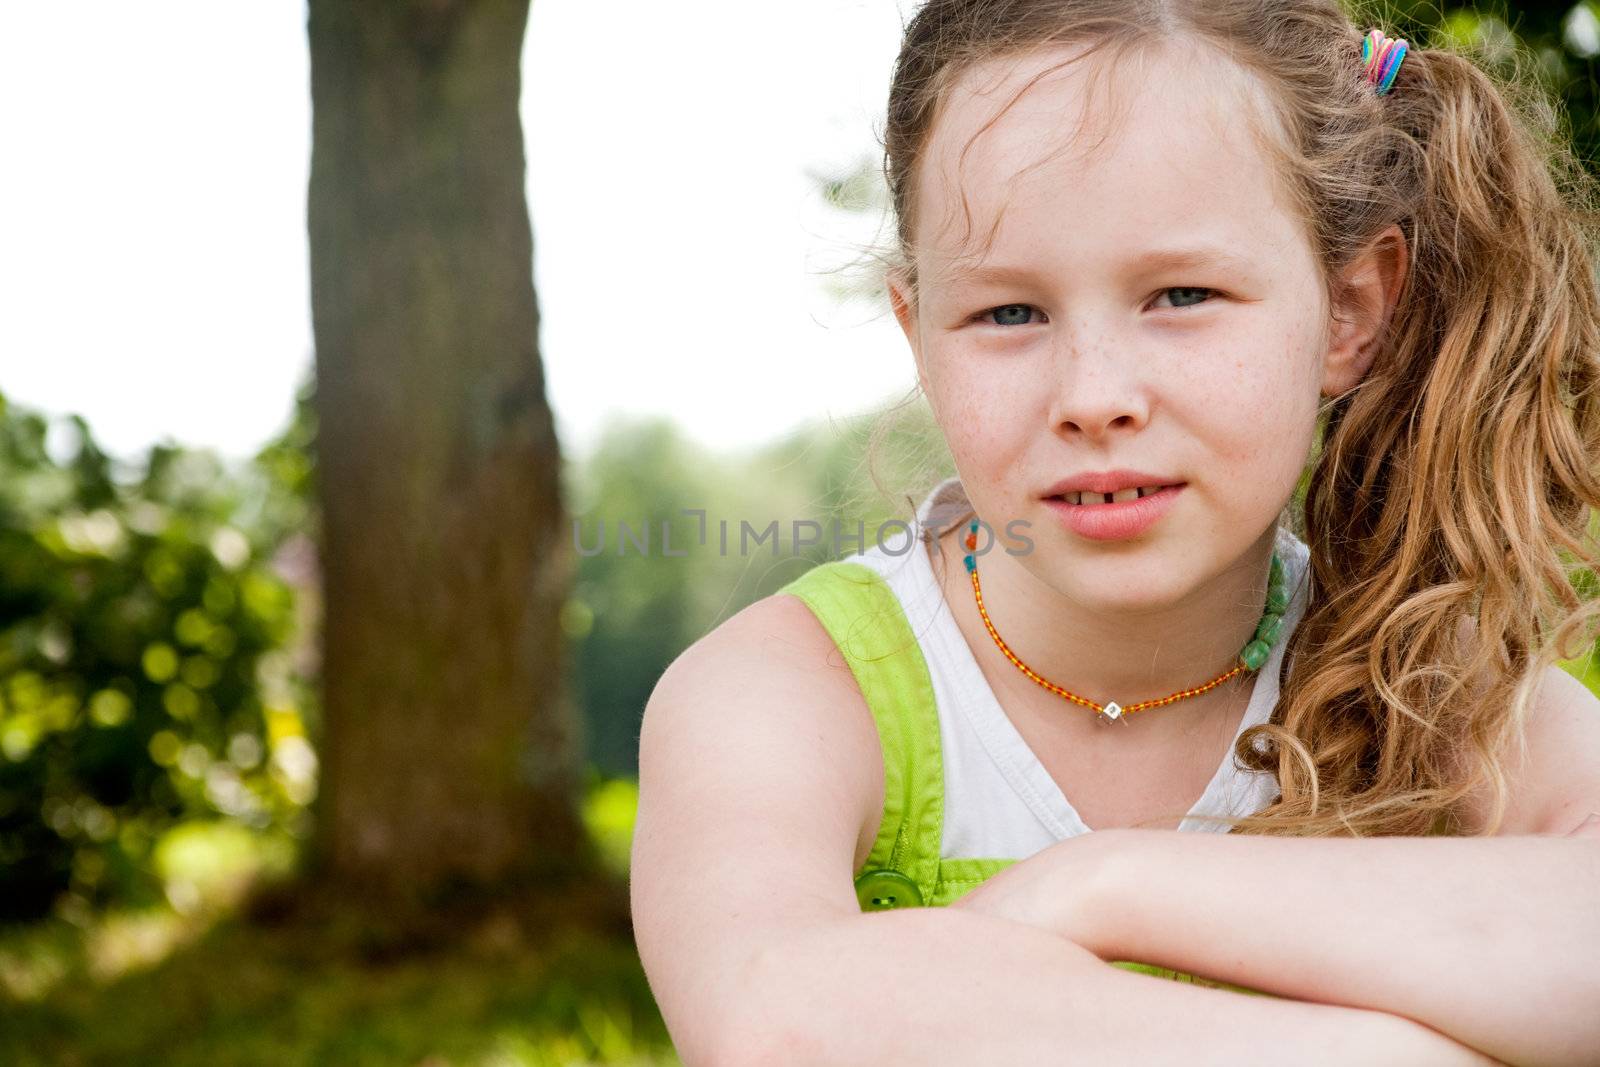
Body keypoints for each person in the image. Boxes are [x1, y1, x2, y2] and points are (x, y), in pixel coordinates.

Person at [630, 2, 1600, 1063]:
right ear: (918, 337)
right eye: (1008, 314)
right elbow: (777, 1021)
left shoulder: (1427, 679)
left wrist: (1107, 884)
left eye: (1181, 294)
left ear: (1349, 311)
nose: (1093, 396)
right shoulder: (782, 696)